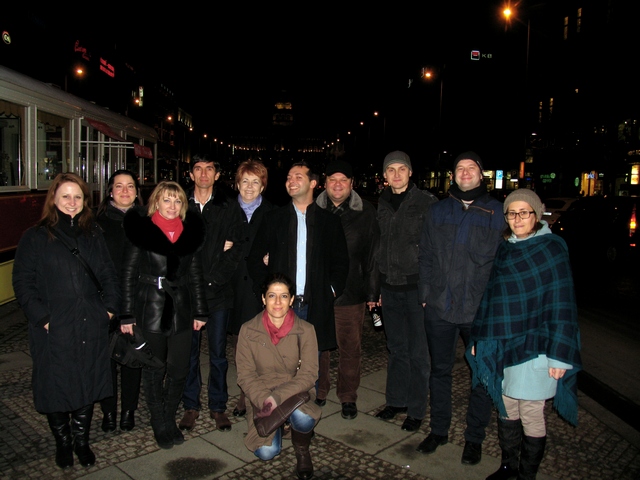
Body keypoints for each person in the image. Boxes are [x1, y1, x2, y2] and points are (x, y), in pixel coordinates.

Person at [468, 189, 582, 480]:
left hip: (537, 347)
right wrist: (481, 339)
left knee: (530, 412)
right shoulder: (506, 248)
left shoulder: (551, 249)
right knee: (506, 406)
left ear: (536, 215)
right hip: (505, 343)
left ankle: (526, 475)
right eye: (512, 213)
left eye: (524, 212)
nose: (517, 219)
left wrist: (559, 356)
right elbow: (492, 298)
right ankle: (508, 466)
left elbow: (562, 304)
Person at [12, 173, 121, 469]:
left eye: (78, 197)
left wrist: (109, 310)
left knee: (87, 381)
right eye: (66, 196)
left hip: (91, 322)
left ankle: (81, 441)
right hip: (55, 327)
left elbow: (108, 274)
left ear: (85, 201)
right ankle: (63, 442)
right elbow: (23, 283)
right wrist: (44, 319)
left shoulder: (93, 234)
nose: (72, 202)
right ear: (54, 200)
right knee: (56, 385)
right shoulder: (35, 237)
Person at [416, 151, 504, 465]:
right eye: (460, 168)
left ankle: (474, 438)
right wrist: (425, 294)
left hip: (479, 310)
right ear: (453, 176)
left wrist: (494, 306)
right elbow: (425, 253)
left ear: (481, 174)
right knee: (439, 371)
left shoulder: (497, 212)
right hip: (440, 306)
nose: (465, 172)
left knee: (481, 374)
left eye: (471, 168)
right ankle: (439, 430)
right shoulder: (438, 210)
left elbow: (504, 262)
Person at [246, 160, 349, 402]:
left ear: (313, 183)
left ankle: (305, 410)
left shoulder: (329, 221)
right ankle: (280, 408)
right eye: (288, 177)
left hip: (314, 303)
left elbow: (341, 262)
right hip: (282, 306)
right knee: (280, 362)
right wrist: (268, 293)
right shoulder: (274, 218)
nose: (291, 181)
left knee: (310, 363)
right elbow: (254, 259)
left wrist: (331, 290)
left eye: (298, 177)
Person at [120, 180, 208, 449]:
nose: (172, 205)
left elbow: (195, 275)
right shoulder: (142, 230)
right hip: (151, 307)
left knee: (180, 368)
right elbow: (128, 274)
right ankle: (159, 421)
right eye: (167, 200)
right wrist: (126, 315)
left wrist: (200, 311)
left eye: (177, 200)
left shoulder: (189, 233)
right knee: (154, 369)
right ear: (156, 202)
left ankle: (169, 416)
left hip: (181, 308)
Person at [179, 154, 244, 433]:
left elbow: (238, 246)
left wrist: (216, 278)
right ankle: (190, 405)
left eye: (209, 169)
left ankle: (218, 406)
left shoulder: (228, 206)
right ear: (191, 174)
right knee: (189, 353)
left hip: (218, 291)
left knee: (218, 354)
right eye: (198, 169)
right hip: (187, 291)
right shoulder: (180, 203)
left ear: (217, 175)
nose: (203, 174)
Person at [374, 151, 438, 432]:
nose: (397, 174)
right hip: (389, 287)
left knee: (418, 352)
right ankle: (396, 401)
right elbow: (377, 247)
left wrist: (429, 289)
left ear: (410, 172)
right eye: (391, 170)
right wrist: (375, 288)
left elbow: (435, 248)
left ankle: (416, 408)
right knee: (396, 348)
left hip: (415, 289)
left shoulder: (426, 202)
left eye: (402, 169)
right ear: (385, 175)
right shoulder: (381, 203)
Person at [236, 272, 321, 480]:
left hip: (294, 390)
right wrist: (265, 400)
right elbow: (245, 375)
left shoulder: (306, 330)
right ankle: (281, 426)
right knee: (267, 452)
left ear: (291, 300)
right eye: (272, 295)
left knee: (303, 418)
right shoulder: (248, 330)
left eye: (284, 296)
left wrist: (277, 398)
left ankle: (302, 450)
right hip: (261, 395)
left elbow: (309, 374)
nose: (277, 302)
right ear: (263, 298)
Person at [315, 159, 380, 420]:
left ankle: (348, 395)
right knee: (317, 346)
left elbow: (373, 255)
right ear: (325, 183)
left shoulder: (366, 212)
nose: (338, 185)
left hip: (351, 291)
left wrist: (372, 292)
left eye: (343, 180)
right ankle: (319, 389)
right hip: (319, 291)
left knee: (350, 347)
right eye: (333, 179)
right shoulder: (313, 208)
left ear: (352, 184)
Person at [95, 169, 143, 433]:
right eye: (119, 186)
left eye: (130, 186)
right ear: (110, 191)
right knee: (107, 360)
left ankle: (128, 410)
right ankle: (108, 411)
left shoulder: (146, 221)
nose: (125, 191)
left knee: (132, 358)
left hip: (138, 300)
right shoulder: (98, 223)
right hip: (107, 302)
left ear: (137, 191)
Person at [228, 159, 274, 417]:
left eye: (255, 181)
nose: (249, 186)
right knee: (240, 344)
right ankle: (244, 393)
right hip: (232, 286)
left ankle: (259, 394)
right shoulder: (226, 210)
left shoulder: (272, 212)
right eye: (245, 180)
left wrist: (272, 256)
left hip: (259, 287)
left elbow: (281, 244)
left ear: (262, 186)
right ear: (237, 183)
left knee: (262, 344)